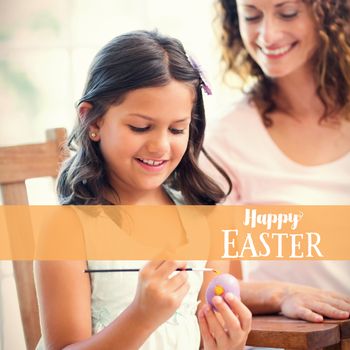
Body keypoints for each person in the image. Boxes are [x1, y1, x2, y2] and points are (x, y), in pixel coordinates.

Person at [34, 30, 252, 350]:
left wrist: (226, 342)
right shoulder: (68, 229)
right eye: (140, 127)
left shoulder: (205, 218)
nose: (160, 145)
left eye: (177, 129)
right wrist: (142, 316)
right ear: (92, 121)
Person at [202, 0, 350, 323]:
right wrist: (282, 294)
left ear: (328, 12)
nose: (268, 35)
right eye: (252, 16)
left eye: (287, 13)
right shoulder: (225, 140)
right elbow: (211, 286)